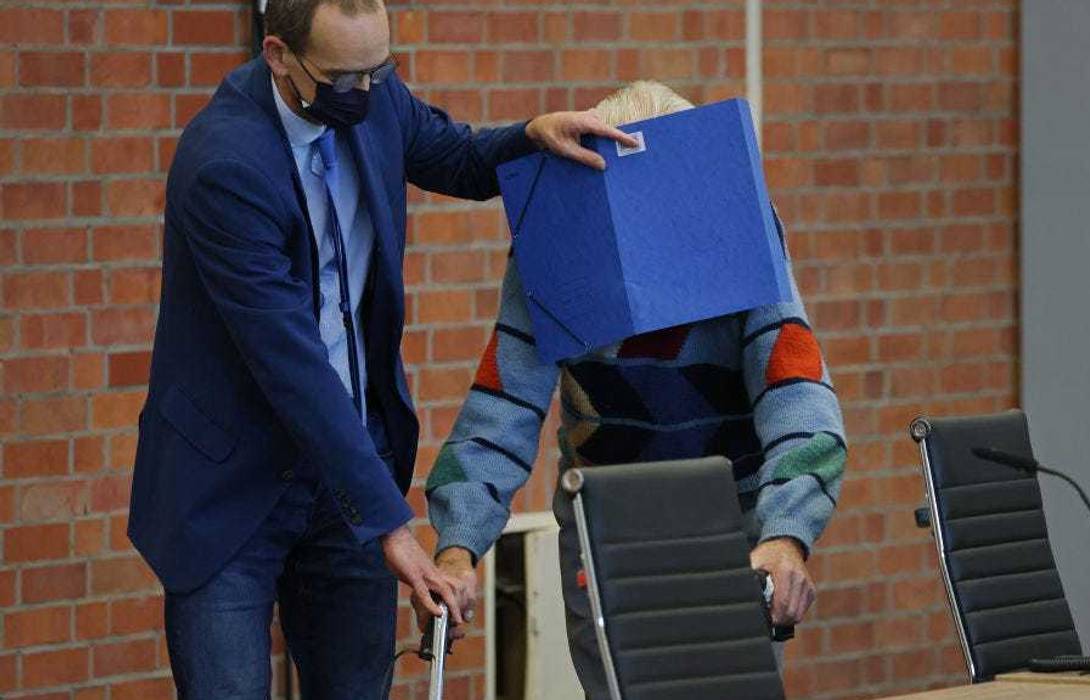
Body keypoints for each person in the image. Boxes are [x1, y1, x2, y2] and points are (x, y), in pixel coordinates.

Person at [125, 0, 636, 694]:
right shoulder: (224, 164)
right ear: (277, 55)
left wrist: (532, 135)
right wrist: (394, 530)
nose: (365, 94)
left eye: (380, 70)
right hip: (228, 488)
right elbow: (290, 362)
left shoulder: (367, 94)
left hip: (347, 476)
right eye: (344, 79)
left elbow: (453, 156)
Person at [426, 81, 848, 697]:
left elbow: (801, 398)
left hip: (730, 513)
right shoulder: (554, 241)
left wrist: (787, 536)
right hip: (606, 517)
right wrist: (457, 547)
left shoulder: (738, 230)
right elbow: (501, 408)